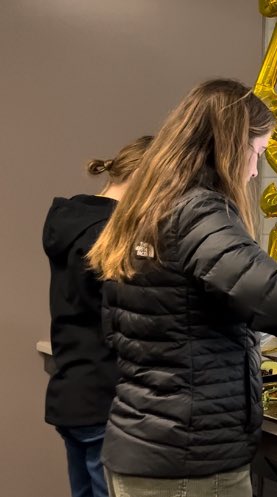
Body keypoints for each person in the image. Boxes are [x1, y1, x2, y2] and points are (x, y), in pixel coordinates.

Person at [87, 79, 277, 497]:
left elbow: (153, 322)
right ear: (232, 144)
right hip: (188, 461)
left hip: (143, 443)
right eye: (257, 152)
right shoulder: (197, 210)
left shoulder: (145, 208)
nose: (254, 171)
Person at [43, 135, 153, 497]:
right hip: (105, 399)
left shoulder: (73, 219)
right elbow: (129, 320)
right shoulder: (108, 234)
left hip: (73, 392)